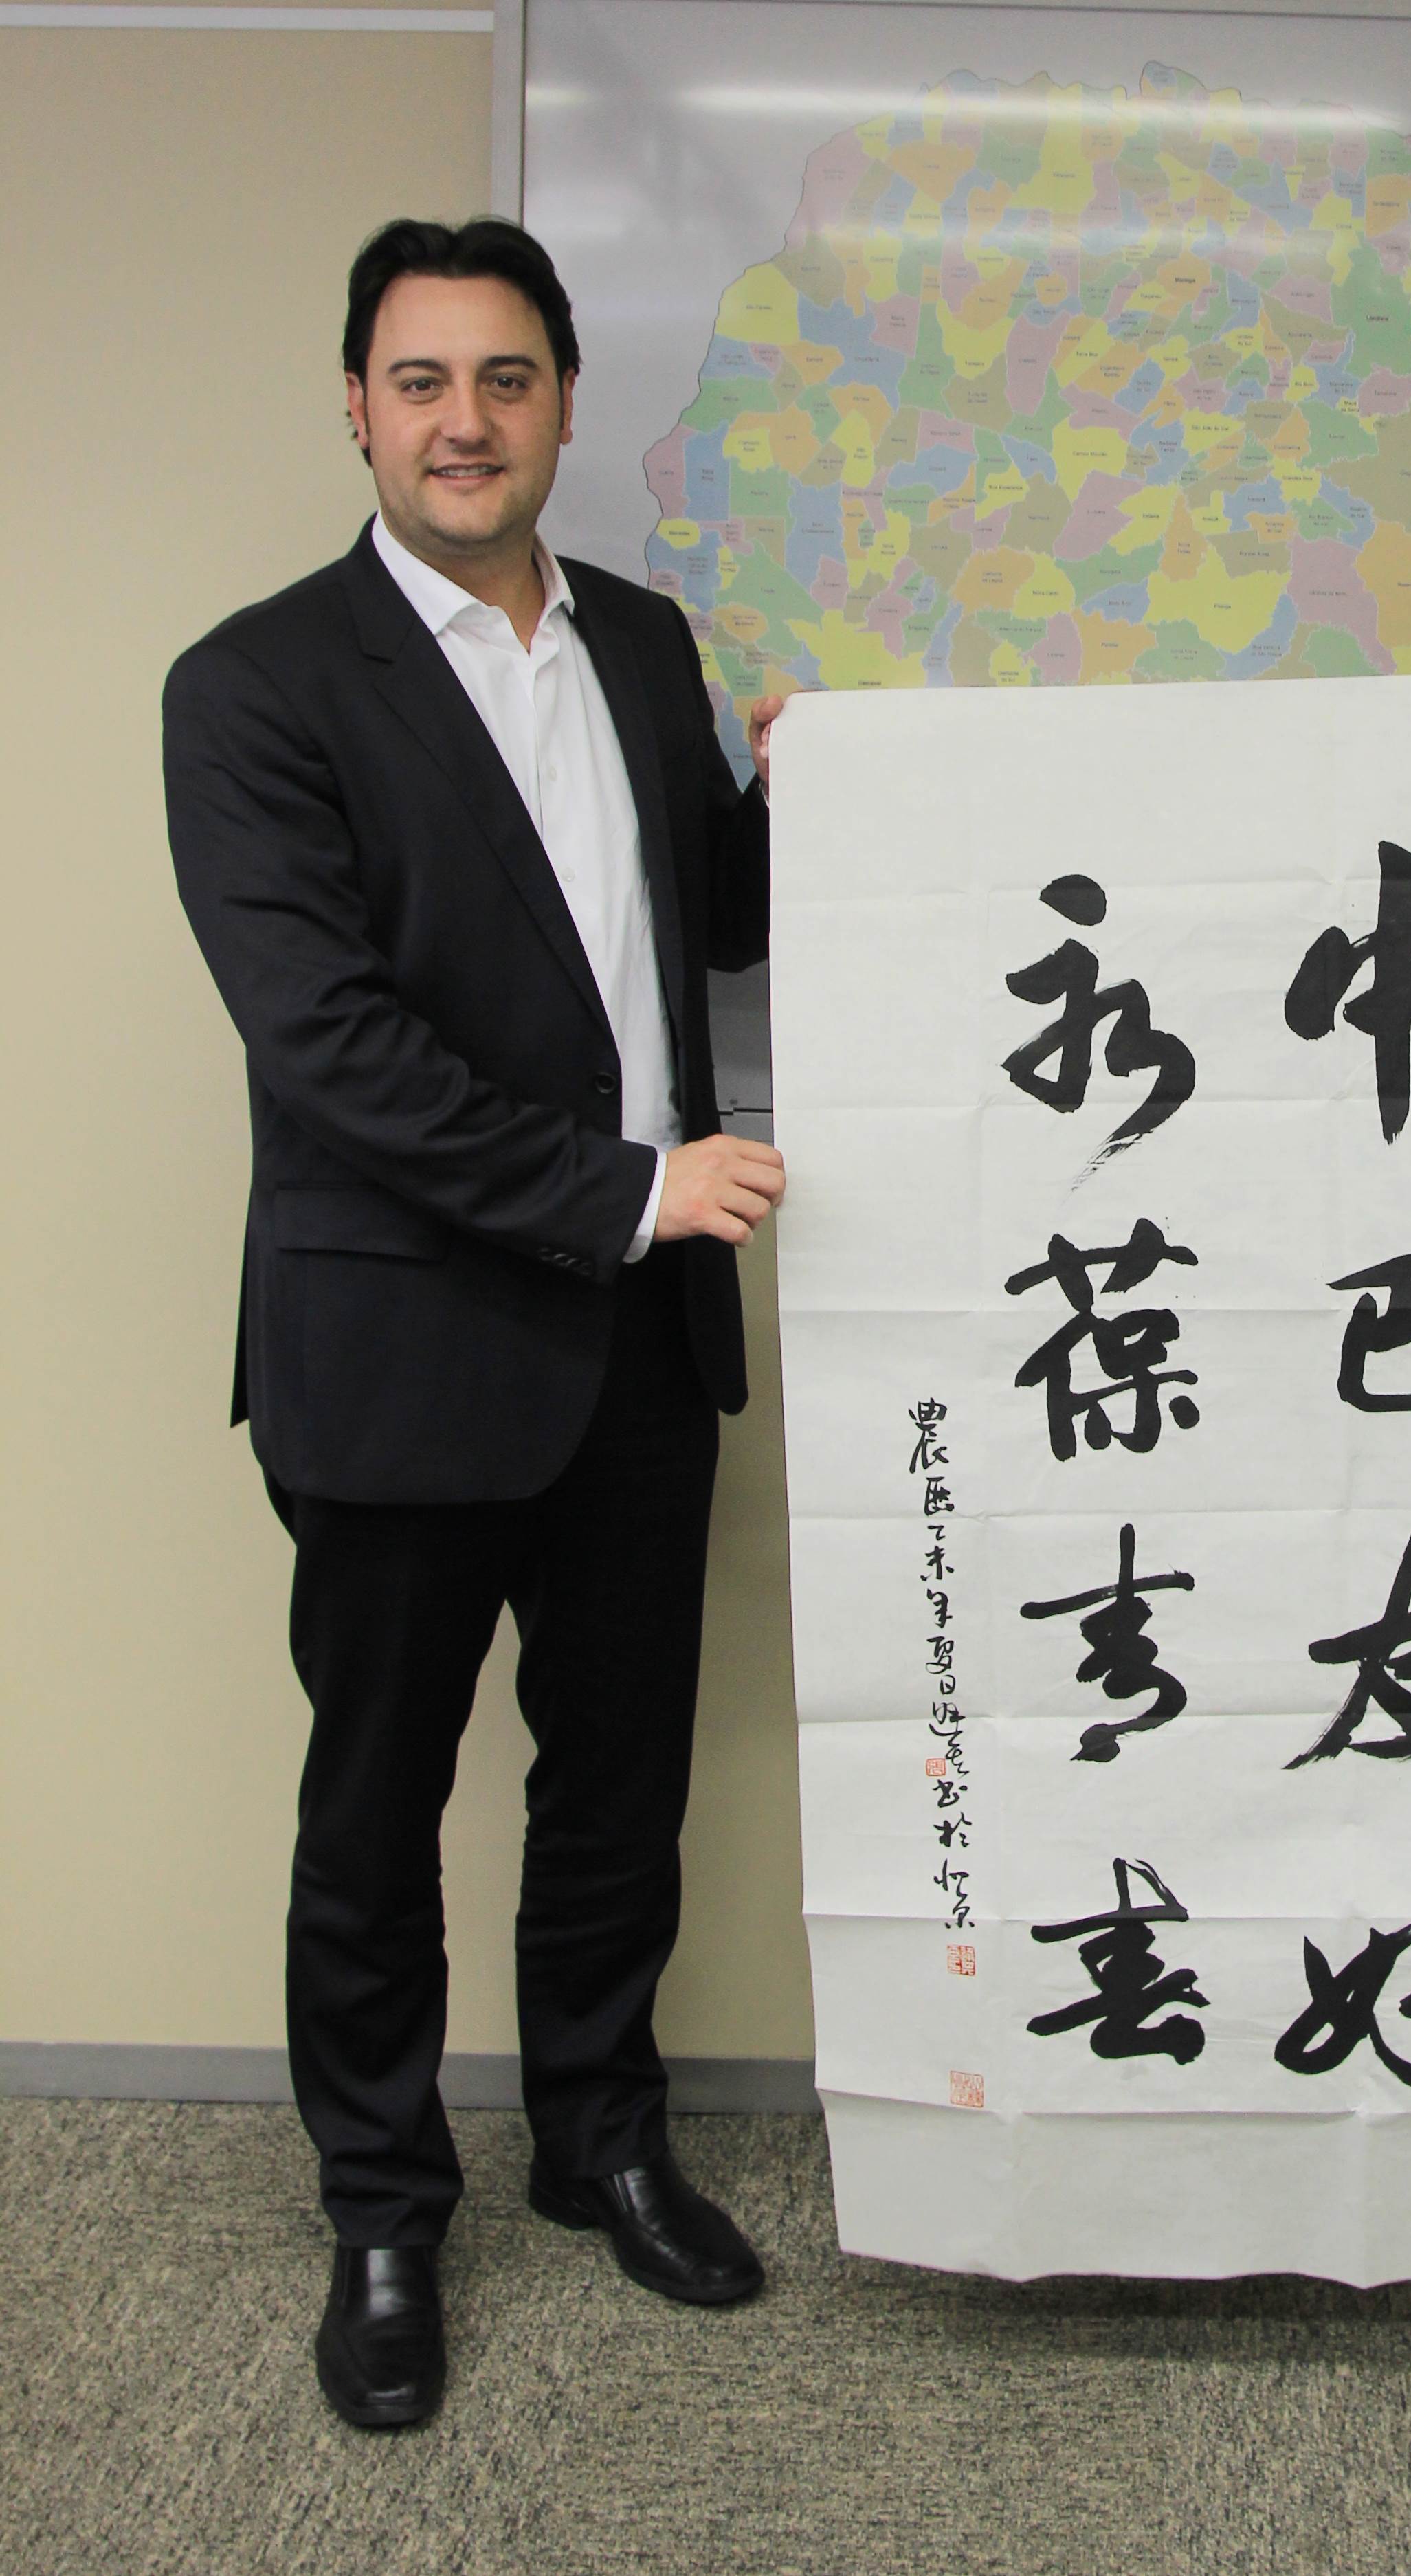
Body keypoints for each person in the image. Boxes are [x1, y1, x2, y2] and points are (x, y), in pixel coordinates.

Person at [163, 218, 795, 2430]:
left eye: (506, 379)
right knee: (377, 1808)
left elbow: (697, 920)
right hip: (403, 1346)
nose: (465, 421)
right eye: (421, 381)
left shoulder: (639, 635)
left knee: (618, 1784)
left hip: (637, 1351)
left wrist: (803, 805)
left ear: (561, 404)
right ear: (357, 406)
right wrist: (626, 1191)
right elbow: (329, 1045)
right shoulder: (254, 687)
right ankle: (381, 2207)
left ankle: (601, 2138)